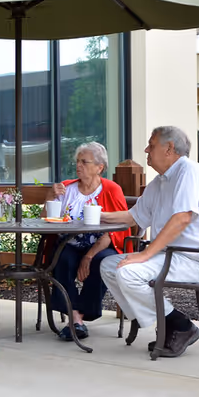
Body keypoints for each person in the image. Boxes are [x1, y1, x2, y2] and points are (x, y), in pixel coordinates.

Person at [98, 126, 199, 358]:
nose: (146, 149)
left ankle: (179, 326)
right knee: (108, 266)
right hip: (171, 256)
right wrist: (97, 215)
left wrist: (144, 255)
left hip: (198, 259)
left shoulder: (189, 171)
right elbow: (133, 216)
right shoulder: (159, 182)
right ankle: (169, 323)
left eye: (152, 144)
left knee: (128, 272)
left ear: (169, 148)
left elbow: (182, 218)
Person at [42, 142, 130, 341]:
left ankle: (79, 314)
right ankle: (75, 318)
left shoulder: (111, 189)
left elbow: (116, 231)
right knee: (62, 259)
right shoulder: (66, 188)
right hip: (70, 243)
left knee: (103, 262)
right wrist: (49, 197)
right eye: (77, 161)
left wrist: (89, 256)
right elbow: (45, 219)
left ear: (100, 167)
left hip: (102, 244)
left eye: (84, 161)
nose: (78, 165)